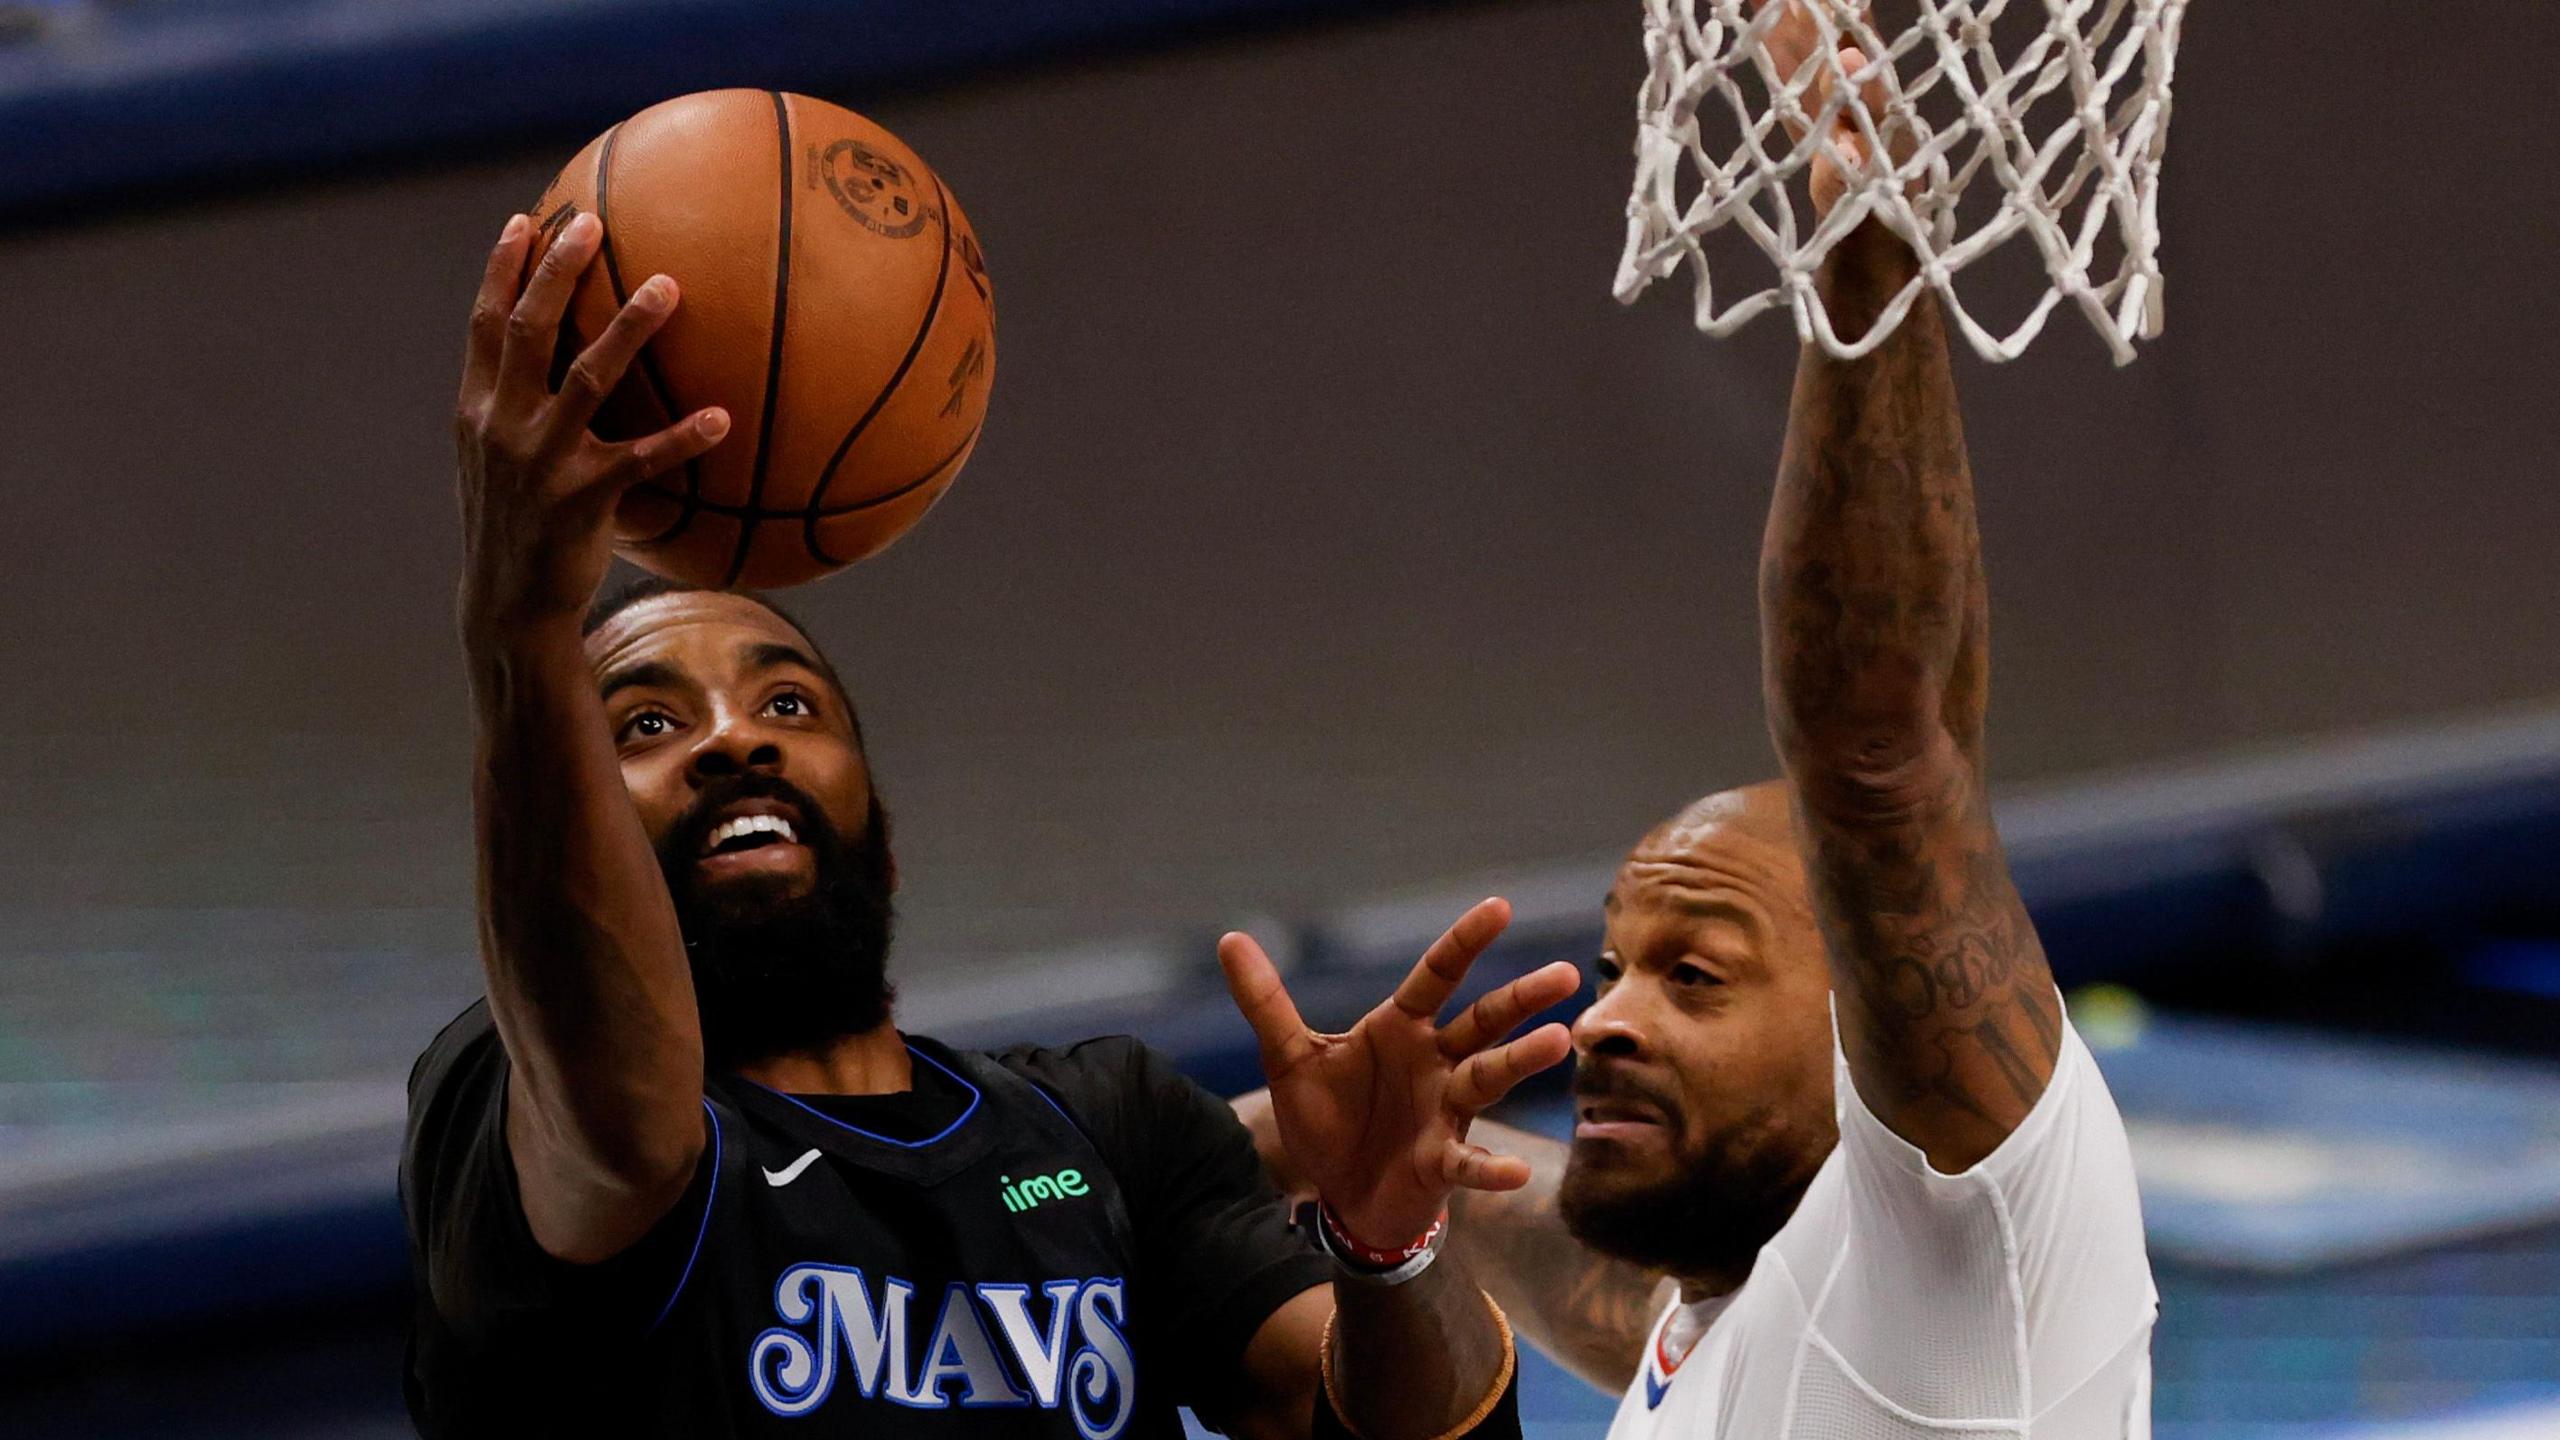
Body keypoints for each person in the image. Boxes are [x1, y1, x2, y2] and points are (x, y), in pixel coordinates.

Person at [402, 207, 1568, 1439]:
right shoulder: (508, 1089)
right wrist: (522, 625)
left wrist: (1391, 1248)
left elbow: (1368, 1419)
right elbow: (617, 1117)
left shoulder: (1101, 1127)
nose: (732, 738)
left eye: (786, 701)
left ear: (881, 828)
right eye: (642, 724)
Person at [1238, 4, 2158, 1432]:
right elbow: (1584, 1279)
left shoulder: (1968, 1253)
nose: (1606, 1015)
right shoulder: (1754, 1318)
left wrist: (1867, 244)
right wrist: (1336, 1149)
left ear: (1873, 1026)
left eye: (1697, 977)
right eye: (1619, 965)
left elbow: (1883, 767)